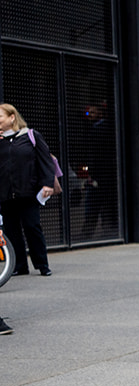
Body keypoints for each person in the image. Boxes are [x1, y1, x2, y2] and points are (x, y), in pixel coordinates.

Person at [0, 103, 60, 277]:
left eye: (0, 117)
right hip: (5, 194)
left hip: (28, 192)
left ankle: (42, 264)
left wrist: (47, 184)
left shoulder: (31, 136)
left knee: (32, 226)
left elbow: (45, 161)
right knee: (11, 230)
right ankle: (19, 266)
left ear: (12, 118)